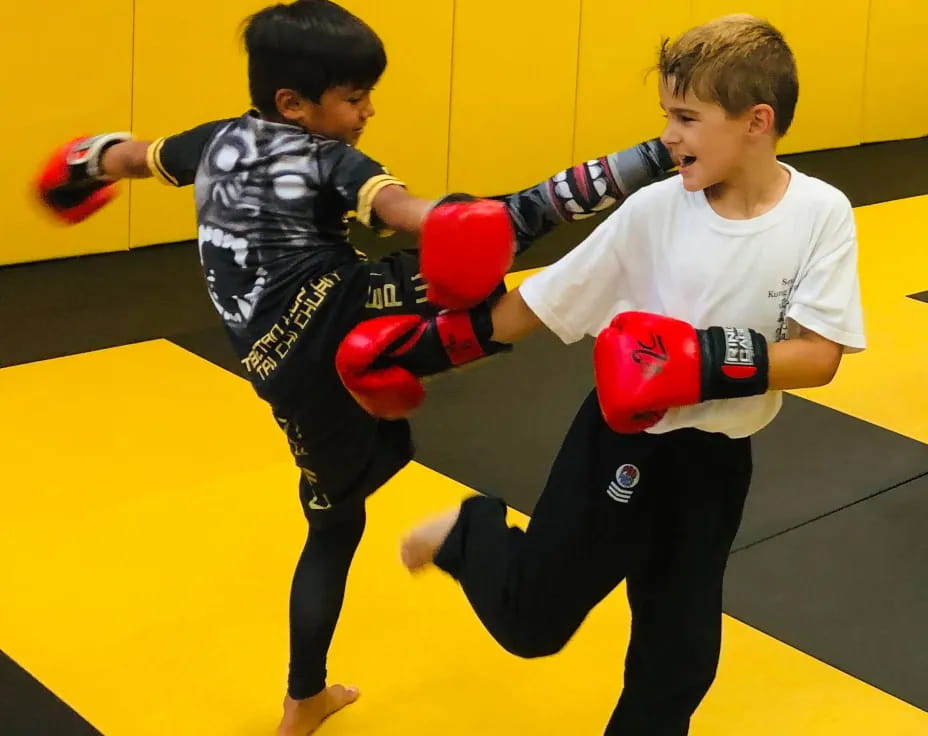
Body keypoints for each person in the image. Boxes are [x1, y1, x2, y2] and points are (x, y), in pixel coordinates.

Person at [34, 2, 675, 733]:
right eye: (353, 98)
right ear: (293, 104)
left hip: (277, 367)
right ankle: (654, 160)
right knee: (511, 231)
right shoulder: (329, 157)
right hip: (341, 313)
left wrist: (80, 168)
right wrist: (466, 224)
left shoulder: (210, 141)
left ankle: (303, 698)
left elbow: (129, 156)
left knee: (334, 526)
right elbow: (403, 211)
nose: (369, 111)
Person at [338, 14, 866, 735]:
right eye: (666, 117)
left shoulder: (820, 213)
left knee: (679, 663)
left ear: (757, 121)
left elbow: (820, 355)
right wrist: (421, 349)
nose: (668, 137)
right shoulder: (655, 211)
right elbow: (541, 301)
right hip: (622, 445)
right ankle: (471, 528)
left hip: (715, 462)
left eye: (687, 118)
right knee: (531, 624)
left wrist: (698, 364)